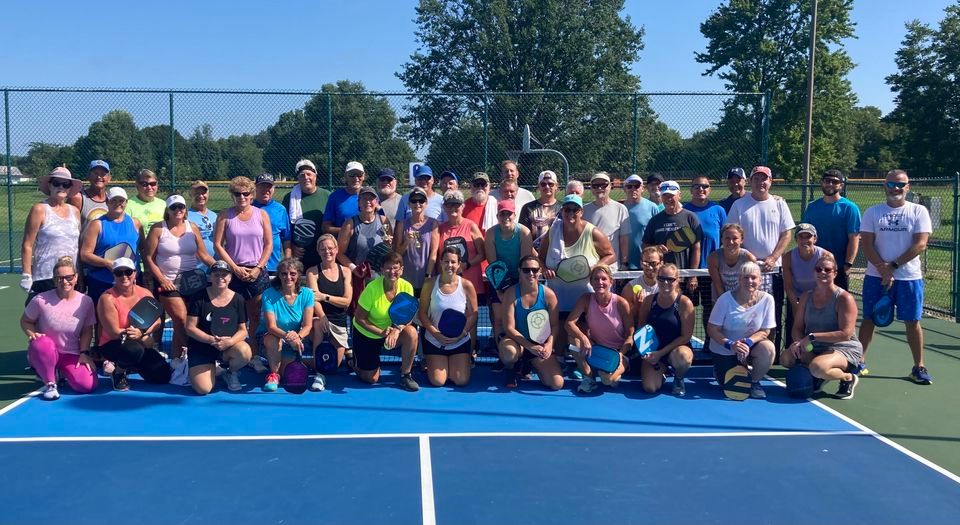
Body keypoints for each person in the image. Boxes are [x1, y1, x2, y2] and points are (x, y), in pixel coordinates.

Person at [858, 169, 933, 383]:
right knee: (869, 319)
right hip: (875, 277)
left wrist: (892, 266)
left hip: (909, 278)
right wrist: (883, 269)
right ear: (885, 186)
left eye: (900, 184)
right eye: (891, 184)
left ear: (908, 187)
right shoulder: (873, 212)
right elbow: (866, 243)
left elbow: (920, 244)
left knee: (912, 321)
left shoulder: (919, 211)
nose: (896, 189)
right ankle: (859, 362)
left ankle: (918, 367)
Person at [725, 165, 795, 353]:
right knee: (745, 313)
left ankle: (767, 352)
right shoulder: (739, 205)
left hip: (774, 271)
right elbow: (731, 234)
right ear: (751, 181)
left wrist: (773, 258)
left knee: (771, 315)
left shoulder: (779, 203)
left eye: (764, 179)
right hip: (747, 271)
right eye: (757, 178)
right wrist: (749, 259)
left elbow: (786, 234)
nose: (761, 182)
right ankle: (742, 352)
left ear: (770, 182)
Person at [142, 195, 216, 358]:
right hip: (169, 284)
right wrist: (162, 280)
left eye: (181, 207)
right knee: (182, 320)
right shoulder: (158, 229)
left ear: (185, 209)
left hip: (193, 282)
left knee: (188, 322)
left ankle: (178, 361)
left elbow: (203, 254)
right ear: (167, 210)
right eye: (173, 207)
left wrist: (218, 267)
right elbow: (148, 258)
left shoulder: (193, 227)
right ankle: (199, 355)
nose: (178, 210)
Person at [539, 194, 615, 353]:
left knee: (580, 337)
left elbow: (611, 255)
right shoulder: (553, 232)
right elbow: (540, 258)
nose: (571, 213)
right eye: (567, 209)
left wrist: (597, 267)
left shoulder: (592, 232)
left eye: (575, 210)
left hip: (584, 297)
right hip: (557, 296)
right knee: (558, 337)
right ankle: (560, 363)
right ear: (562, 211)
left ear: (581, 212)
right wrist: (545, 269)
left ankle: (582, 368)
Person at [782, 254, 863, 399]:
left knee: (817, 368)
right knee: (787, 358)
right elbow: (797, 327)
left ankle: (847, 378)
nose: (822, 273)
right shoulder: (807, 296)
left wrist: (812, 337)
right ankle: (819, 375)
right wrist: (798, 343)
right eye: (818, 269)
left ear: (835, 273)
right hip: (815, 346)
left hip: (843, 347)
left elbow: (846, 333)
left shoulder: (844, 298)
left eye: (827, 270)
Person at [213, 176, 273, 368]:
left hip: (256, 273)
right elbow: (217, 245)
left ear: (251, 194)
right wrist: (233, 268)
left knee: (255, 317)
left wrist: (258, 268)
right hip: (233, 273)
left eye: (246, 193)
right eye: (237, 194)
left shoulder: (261, 215)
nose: (242, 197)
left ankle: (254, 356)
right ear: (232, 195)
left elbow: (268, 244)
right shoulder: (225, 215)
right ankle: (231, 356)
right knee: (232, 317)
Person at [21, 256, 97, 400]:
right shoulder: (40, 300)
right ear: (55, 280)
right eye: (60, 278)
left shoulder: (86, 301)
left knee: (87, 386)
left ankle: (60, 372)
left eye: (69, 277)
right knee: (43, 343)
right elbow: (25, 321)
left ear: (76, 278)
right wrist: (32, 335)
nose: (64, 281)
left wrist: (84, 353)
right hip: (46, 351)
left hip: (71, 354)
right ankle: (50, 383)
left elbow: (87, 329)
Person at [96, 258, 171, 391]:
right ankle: (119, 371)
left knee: (162, 376)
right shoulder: (107, 298)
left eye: (128, 272)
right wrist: (141, 338)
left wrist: (142, 333)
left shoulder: (145, 294)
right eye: (119, 273)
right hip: (113, 343)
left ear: (135, 274)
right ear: (114, 275)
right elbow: (114, 332)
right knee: (134, 350)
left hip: (139, 341)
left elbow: (157, 321)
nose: (124, 276)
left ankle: (131, 365)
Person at [351, 251, 421, 391]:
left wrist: (396, 329)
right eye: (388, 268)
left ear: (401, 269)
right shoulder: (371, 289)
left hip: (392, 332)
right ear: (381, 270)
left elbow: (407, 316)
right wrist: (381, 332)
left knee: (412, 332)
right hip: (367, 334)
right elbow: (359, 319)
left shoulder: (407, 287)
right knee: (371, 379)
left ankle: (405, 375)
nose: (392, 272)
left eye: (396, 268)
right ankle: (355, 363)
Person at [707, 261, 777, 399]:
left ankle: (755, 382)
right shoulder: (725, 300)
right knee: (727, 386)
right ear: (739, 279)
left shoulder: (768, 300)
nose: (749, 281)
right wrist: (731, 344)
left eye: (753, 277)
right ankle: (720, 369)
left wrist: (747, 342)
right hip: (725, 347)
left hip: (750, 346)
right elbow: (712, 329)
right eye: (745, 277)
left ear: (760, 280)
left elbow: (765, 331)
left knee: (768, 349)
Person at [184, 260, 253, 394]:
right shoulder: (199, 297)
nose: (220, 278)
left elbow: (243, 331)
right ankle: (207, 368)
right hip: (201, 347)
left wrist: (230, 342)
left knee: (245, 352)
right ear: (210, 277)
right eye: (216, 274)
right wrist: (211, 340)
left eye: (224, 275)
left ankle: (230, 372)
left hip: (228, 347)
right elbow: (190, 328)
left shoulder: (238, 299)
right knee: (203, 389)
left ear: (230, 278)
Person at [565, 265, 634, 394]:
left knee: (608, 381)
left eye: (604, 279)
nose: (600, 282)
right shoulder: (585, 299)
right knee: (573, 338)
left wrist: (620, 355)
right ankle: (589, 377)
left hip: (618, 352)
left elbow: (631, 334)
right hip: (595, 349)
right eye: (596, 279)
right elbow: (569, 323)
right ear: (591, 282)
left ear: (611, 281)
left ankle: (619, 368)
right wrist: (584, 337)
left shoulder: (621, 303)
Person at [499, 255, 564, 390]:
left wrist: (548, 345)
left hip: (540, 344)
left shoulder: (549, 295)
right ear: (519, 271)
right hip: (516, 342)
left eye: (534, 270)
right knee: (509, 352)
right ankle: (511, 369)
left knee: (557, 383)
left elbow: (555, 325)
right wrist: (529, 346)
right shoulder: (511, 293)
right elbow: (509, 328)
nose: (531, 273)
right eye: (526, 270)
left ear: (540, 271)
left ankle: (528, 364)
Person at [418, 247, 479, 387]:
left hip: (459, 341)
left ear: (459, 264)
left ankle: (457, 363)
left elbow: (474, 314)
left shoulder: (467, 285)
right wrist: (436, 334)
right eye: (446, 261)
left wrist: (461, 334)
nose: (449, 265)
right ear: (440, 262)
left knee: (461, 380)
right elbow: (422, 313)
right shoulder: (429, 284)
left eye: (453, 262)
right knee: (438, 381)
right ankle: (434, 361)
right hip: (434, 340)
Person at [21, 167, 82, 304]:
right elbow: (27, 244)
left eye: (65, 184)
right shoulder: (40, 209)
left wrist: (80, 275)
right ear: (49, 185)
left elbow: (77, 246)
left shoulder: (75, 211)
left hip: (70, 277)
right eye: (56, 183)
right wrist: (26, 274)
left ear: (70, 188)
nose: (61, 187)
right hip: (46, 276)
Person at [633, 263, 695, 396]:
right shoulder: (649, 301)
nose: (665, 282)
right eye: (661, 278)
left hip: (676, 350)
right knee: (650, 388)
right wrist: (647, 352)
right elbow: (641, 329)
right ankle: (662, 373)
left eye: (670, 279)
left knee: (683, 357)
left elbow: (686, 336)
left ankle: (678, 377)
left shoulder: (685, 303)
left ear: (677, 280)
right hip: (654, 352)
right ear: (657, 278)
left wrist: (660, 353)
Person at [438, 190, 486, 352]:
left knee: (470, 317)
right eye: (450, 204)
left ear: (462, 206)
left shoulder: (471, 226)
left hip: (470, 281)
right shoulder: (439, 229)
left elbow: (482, 253)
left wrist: (467, 264)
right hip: (449, 284)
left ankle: (469, 352)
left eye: (457, 205)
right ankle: (451, 349)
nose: (453, 208)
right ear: (444, 207)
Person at [484, 199, 534, 354]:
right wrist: (500, 289)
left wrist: (514, 291)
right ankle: (503, 356)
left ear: (514, 214)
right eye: (502, 214)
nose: (506, 217)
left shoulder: (524, 232)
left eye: (509, 214)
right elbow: (493, 264)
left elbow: (525, 264)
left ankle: (524, 356)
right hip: (498, 279)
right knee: (499, 320)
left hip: (520, 278)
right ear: (498, 215)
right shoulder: (491, 233)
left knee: (519, 319)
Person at [79, 187, 143, 307]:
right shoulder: (97, 224)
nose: (118, 203)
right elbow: (85, 254)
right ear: (107, 202)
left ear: (126, 202)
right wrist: (107, 263)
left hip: (129, 282)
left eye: (121, 200)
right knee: (103, 322)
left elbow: (143, 250)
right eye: (113, 200)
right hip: (103, 281)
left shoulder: (135, 223)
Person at [260, 258, 315, 392]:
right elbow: (271, 327)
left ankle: (298, 363)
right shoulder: (268, 294)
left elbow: (308, 325)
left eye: (292, 274)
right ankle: (274, 375)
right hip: (270, 339)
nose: (288, 277)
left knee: (289, 369)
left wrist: (298, 337)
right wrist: (289, 337)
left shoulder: (307, 294)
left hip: (294, 341)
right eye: (284, 273)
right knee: (273, 339)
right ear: (279, 275)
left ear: (298, 275)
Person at [801, 169, 862, 290]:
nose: (830, 184)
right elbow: (805, 237)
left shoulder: (849, 208)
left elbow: (854, 238)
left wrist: (848, 264)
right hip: (815, 265)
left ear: (841, 185)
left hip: (838, 267)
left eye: (834, 182)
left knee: (838, 304)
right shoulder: (812, 207)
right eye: (827, 181)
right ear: (822, 183)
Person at [305, 234, 354, 386]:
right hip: (320, 320)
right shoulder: (312, 272)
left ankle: (305, 362)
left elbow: (346, 302)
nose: (327, 251)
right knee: (319, 324)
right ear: (318, 251)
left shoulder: (346, 271)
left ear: (336, 249)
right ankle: (318, 375)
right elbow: (314, 299)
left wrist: (325, 297)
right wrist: (323, 316)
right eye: (323, 249)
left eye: (330, 248)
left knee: (333, 365)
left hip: (339, 324)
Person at [642, 180, 703, 296]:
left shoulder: (691, 218)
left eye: (671, 196)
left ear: (679, 195)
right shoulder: (655, 220)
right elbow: (645, 246)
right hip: (659, 278)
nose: (668, 199)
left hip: (683, 277)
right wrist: (656, 249)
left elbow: (696, 248)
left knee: (686, 310)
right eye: (665, 196)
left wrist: (693, 275)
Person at [683, 175, 727, 332]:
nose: (701, 189)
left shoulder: (718, 210)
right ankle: (685, 339)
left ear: (710, 189)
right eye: (697, 186)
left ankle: (710, 340)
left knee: (711, 307)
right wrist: (691, 275)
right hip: (688, 271)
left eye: (704, 186)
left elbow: (725, 238)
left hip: (712, 271)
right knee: (687, 307)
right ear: (691, 190)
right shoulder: (684, 210)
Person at [782, 223, 827, 350]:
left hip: (818, 297)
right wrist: (796, 305)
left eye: (808, 237)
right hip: (797, 297)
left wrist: (819, 302)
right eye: (801, 237)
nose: (805, 240)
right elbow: (788, 285)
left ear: (815, 239)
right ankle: (795, 353)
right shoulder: (788, 258)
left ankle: (817, 352)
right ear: (796, 240)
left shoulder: (825, 256)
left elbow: (828, 284)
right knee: (795, 328)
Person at [284, 159, 331, 271]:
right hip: (300, 254)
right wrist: (292, 247)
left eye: (309, 174)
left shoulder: (327, 196)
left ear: (315, 176)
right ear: (298, 178)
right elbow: (286, 228)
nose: (306, 177)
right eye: (302, 175)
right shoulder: (289, 198)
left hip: (324, 252)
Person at [393, 187, 439, 297]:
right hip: (406, 278)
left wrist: (428, 275)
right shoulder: (402, 224)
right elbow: (397, 253)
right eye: (414, 201)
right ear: (409, 204)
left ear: (426, 203)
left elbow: (434, 252)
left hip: (427, 277)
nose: (417, 204)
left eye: (421, 200)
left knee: (425, 311)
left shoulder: (433, 223)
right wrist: (406, 241)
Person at [583, 172, 630, 271]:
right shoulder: (584, 210)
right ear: (591, 189)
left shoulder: (620, 209)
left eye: (603, 185)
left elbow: (624, 239)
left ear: (610, 187)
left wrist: (624, 263)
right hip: (589, 266)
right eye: (595, 186)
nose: (600, 188)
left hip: (611, 267)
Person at [252, 172, 292, 275]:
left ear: (273, 188)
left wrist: (287, 261)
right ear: (255, 188)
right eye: (262, 186)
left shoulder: (280, 209)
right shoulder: (248, 207)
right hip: (251, 263)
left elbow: (286, 238)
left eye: (269, 187)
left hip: (273, 265)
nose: (266, 190)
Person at [707, 224, 758, 302]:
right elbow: (717, 284)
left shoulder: (749, 258)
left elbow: (752, 284)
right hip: (721, 300)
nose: (731, 242)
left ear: (741, 240)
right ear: (722, 239)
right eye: (727, 238)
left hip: (743, 301)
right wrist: (726, 302)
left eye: (735, 238)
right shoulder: (713, 258)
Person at [622, 174, 659, 270]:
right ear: (624, 189)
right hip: (623, 262)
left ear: (642, 188)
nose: (633, 189)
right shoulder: (619, 208)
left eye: (637, 186)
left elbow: (656, 235)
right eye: (629, 186)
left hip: (645, 262)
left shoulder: (652, 207)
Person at [518, 170, 561, 251]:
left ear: (556, 186)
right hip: (534, 254)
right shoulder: (528, 208)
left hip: (556, 253)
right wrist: (536, 256)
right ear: (539, 186)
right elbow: (523, 236)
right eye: (543, 184)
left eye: (551, 184)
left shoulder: (563, 208)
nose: (547, 187)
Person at [322, 161, 366, 237]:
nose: (356, 178)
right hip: (343, 244)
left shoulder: (371, 196)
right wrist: (346, 231)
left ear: (364, 176)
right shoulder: (335, 197)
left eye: (359, 175)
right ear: (345, 176)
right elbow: (325, 227)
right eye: (352, 174)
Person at [623, 246, 662, 322]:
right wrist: (637, 306)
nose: (650, 267)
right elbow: (627, 319)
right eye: (646, 263)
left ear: (661, 263)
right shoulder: (629, 288)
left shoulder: (668, 286)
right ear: (641, 263)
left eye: (653, 263)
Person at [187, 180, 218, 271]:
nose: (201, 196)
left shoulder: (214, 215)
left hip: (215, 269)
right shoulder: (187, 216)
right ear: (190, 195)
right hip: (198, 268)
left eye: (203, 193)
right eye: (196, 193)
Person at [68, 159, 111, 226]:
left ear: (109, 178)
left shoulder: (111, 200)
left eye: (103, 174)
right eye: (95, 173)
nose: (99, 177)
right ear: (88, 176)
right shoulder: (78, 198)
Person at [125, 168, 165, 237]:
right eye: (144, 184)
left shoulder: (163, 204)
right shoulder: (128, 205)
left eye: (153, 184)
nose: (149, 187)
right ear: (137, 185)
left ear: (157, 184)